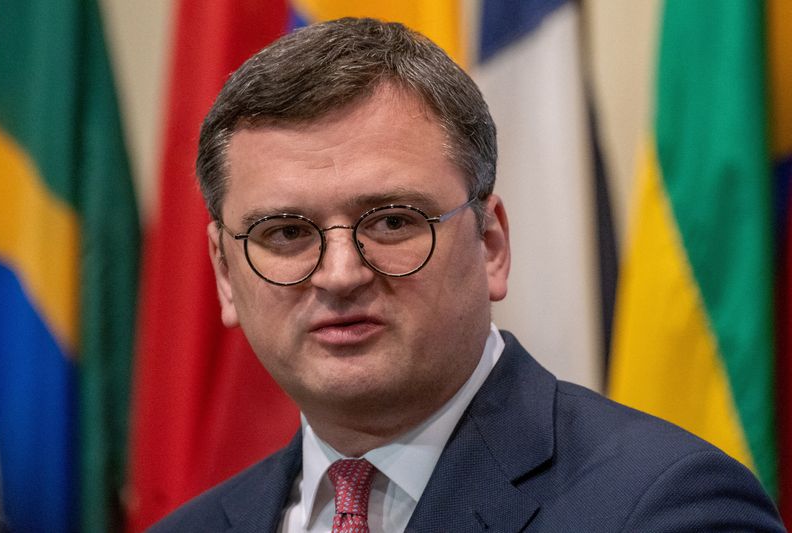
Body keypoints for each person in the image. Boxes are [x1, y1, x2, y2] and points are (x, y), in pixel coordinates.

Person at [151, 17, 784, 532]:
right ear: (226, 274)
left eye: (393, 222)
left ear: (490, 245)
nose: (340, 274)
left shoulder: (667, 508)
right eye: (285, 233)